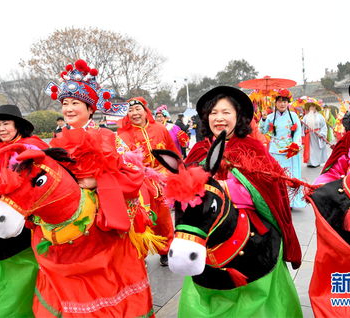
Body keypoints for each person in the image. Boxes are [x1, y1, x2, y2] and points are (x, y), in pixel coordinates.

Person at [41, 59, 153, 317]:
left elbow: (135, 176)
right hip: (68, 230)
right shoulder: (56, 141)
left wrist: (97, 182)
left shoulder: (109, 138)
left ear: (91, 109)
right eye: (65, 104)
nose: (69, 109)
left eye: (75, 103)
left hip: (104, 229)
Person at [185, 86, 302, 316]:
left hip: (251, 233)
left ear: (238, 116)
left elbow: (268, 187)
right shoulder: (199, 150)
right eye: (213, 113)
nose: (219, 118)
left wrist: (222, 188)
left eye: (226, 112)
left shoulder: (252, 148)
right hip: (209, 233)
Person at [117, 97, 179, 266]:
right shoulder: (122, 135)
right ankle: (140, 254)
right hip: (138, 183)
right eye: (131, 110)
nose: (135, 113)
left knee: (164, 219)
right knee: (140, 219)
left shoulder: (160, 129)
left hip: (162, 181)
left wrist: (174, 174)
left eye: (138, 109)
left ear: (146, 111)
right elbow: (121, 162)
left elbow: (172, 153)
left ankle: (166, 252)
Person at [259, 88, 306, 209]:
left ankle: (290, 201)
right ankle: (278, 200)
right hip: (275, 150)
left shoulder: (294, 116)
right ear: (275, 103)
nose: (282, 104)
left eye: (285, 101)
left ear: (288, 103)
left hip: (290, 151)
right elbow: (263, 131)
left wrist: (295, 145)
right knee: (277, 177)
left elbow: (298, 132)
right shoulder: (269, 117)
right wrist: (263, 119)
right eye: (279, 101)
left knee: (290, 176)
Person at [0, 104, 48, 172]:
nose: (1, 129)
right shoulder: (0, 149)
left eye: (6, 124)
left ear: (18, 126)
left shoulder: (31, 146)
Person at [301, 98, 328, 168]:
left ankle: (316, 162)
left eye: (313, 106)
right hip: (309, 136)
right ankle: (310, 163)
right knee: (310, 150)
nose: (312, 108)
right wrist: (302, 135)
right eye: (310, 107)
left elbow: (324, 126)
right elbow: (303, 127)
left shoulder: (320, 117)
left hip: (317, 135)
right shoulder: (305, 117)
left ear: (316, 107)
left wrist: (322, 133)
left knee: (317, 149)